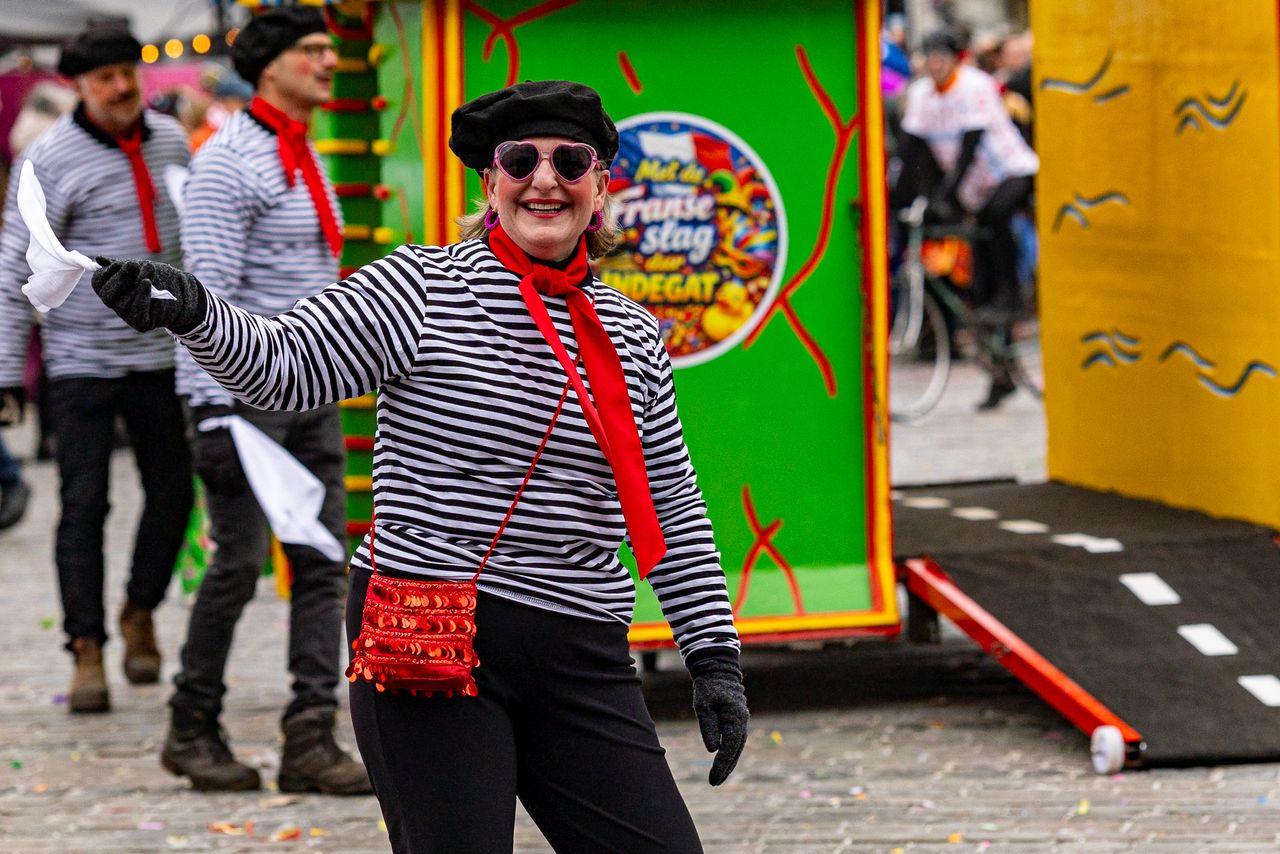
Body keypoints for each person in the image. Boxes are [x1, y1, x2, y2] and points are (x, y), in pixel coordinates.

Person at [89, 78, 749, 852]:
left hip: (580, 646)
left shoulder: (630, 332)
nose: (544, 180)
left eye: (571, 162)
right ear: (490, 182)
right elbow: (284, 368)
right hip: (430, 638)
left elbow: (670, 500)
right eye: (520, 160)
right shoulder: (418, 289)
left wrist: (713, 654)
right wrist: (196, 311)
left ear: (599, 188)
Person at [157, 7, 370, 795]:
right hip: (241, 399)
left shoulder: (303, 149)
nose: (328, 62)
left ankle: (310, 737)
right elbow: (203, 297)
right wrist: (211, 410)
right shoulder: (229, 162)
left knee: (322, 562)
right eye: (311, 51)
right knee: (239, 566)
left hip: (310, 388)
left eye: (328, 49)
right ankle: (191, 726)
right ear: (270, 65)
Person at [0, 21, 193, 713]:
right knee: (84, 503)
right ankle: (85, 647)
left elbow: (190, 241)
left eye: (127, 74)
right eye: (105, 78)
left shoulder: (171, 140)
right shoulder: (47, 159)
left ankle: (139, 609)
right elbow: (14, 263)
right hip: (80, 359)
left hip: (161, 353)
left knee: (174, 495)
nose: (120, 88)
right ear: (78, 85)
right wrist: (6, 373)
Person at [896, 29, 1039, 410]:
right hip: (971, 188)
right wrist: (897, 196)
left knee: (996, 216)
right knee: (977, 284)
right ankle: (1000, 373)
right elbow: (910, 148)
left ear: (955, 60)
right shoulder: (922, 95)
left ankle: (1011, 295)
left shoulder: (974, 85)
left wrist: (945, 194)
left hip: (1009, 171)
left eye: (942, 58)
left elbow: (970, 145)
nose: (936, 66)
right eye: (930, 59)